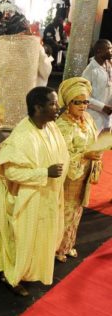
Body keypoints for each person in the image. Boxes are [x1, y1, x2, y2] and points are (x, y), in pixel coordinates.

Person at [0, 86, 69, 296]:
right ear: (38, 107)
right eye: (53, 104)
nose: (57, 108)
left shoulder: (51, 127)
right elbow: (11, 172)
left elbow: (62, 154)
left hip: (48, 194)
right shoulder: (23, 135)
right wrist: (44, 173)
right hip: (29, 198)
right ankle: (12, 277)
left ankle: (29, 272)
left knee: (40, 239)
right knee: (23, 239)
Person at [55, 78, 100, 262]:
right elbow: (60, 155)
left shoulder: (87, 119)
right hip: (69, 176)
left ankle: (68, 244)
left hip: (84, 173)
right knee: (64, 212)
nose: (83, 106)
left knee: (76, 212)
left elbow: (93, 141)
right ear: (68, 102)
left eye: (86, 101)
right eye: (78, 102)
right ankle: (57, 248)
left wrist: (95, 154)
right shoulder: (63, 125)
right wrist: (84, 156)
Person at [81, 39, 112, 132]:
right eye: (109, 49)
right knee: (94, 144)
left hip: (108, 117)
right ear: (99, 51)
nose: (111, 51)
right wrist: (103, 107)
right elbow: (83, 96)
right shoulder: (90, 70)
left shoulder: (109, 65)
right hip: (94, 117)